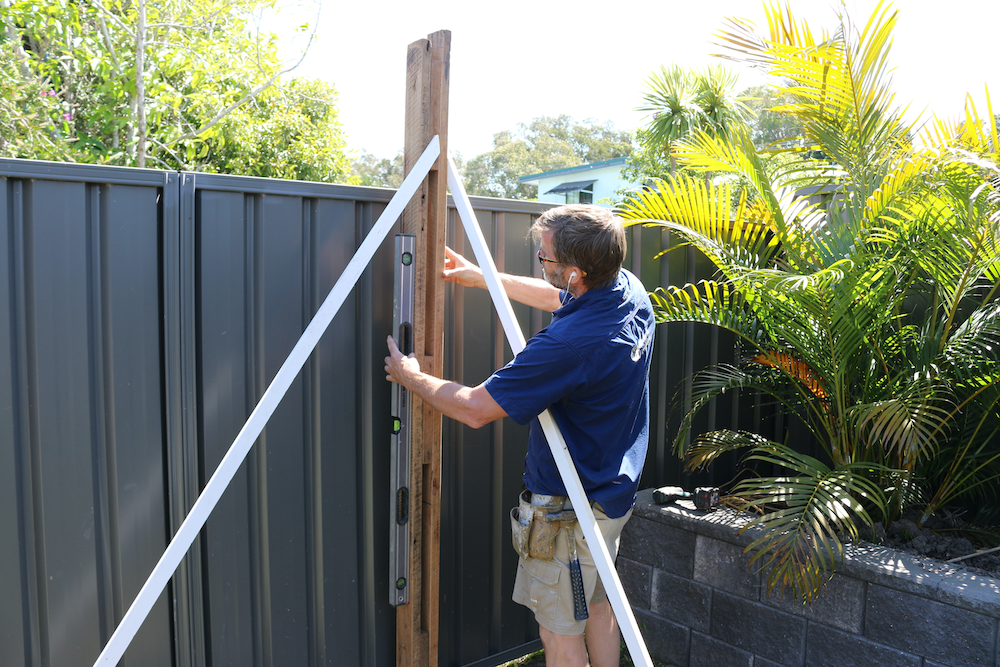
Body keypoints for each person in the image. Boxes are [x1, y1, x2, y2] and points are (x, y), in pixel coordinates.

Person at [384, 204, 654, 667]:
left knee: (559, 635)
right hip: (612, 494)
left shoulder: (569, 346)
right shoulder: (627, 290)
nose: (539, 262)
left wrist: (410, 376)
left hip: (570, 510)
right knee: (597, 602)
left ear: (575, 272)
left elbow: (474, 408)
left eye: (544, 258)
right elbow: (558, 300)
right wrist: (480, 277)